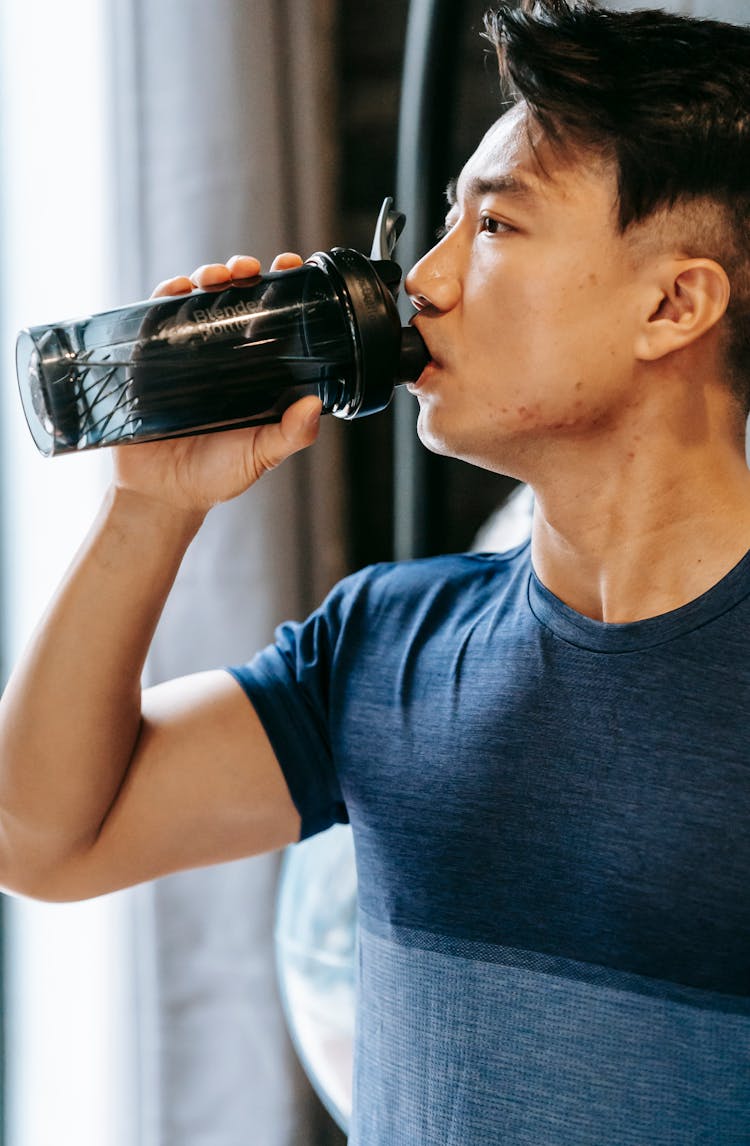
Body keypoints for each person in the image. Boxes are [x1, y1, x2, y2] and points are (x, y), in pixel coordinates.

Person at [1, 0, 749, 1140]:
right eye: (440, 225)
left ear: (674, 303)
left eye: (495, 230)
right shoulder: (384, 643)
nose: (426, 283)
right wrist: (149, 510)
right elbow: (39, 840)